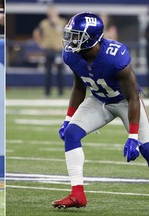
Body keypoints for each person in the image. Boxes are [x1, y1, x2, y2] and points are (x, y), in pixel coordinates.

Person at [53, 12, 149, 209]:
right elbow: (79, 86)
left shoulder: (115, 56)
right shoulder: (72, 55)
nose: (71, 40)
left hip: (124, 101)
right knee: (71, 134)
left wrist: (132, 136)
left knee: (147, 148)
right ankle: (77, 195)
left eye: (76, 35)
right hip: (98, 99)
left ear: (91, 38)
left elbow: (133, 97)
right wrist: (67, 118)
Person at [33, 6, 67, 97]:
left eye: (54, 13)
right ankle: (47, 93)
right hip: (48, 50)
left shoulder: (62, 22)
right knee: (48, 72)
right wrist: (40, 43)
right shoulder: (44, 23)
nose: (52, 15)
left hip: (59, 50)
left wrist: (65, 45)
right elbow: (36, 33)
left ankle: (61, 92)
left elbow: (68, 34)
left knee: (60, 72)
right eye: (51, 13)